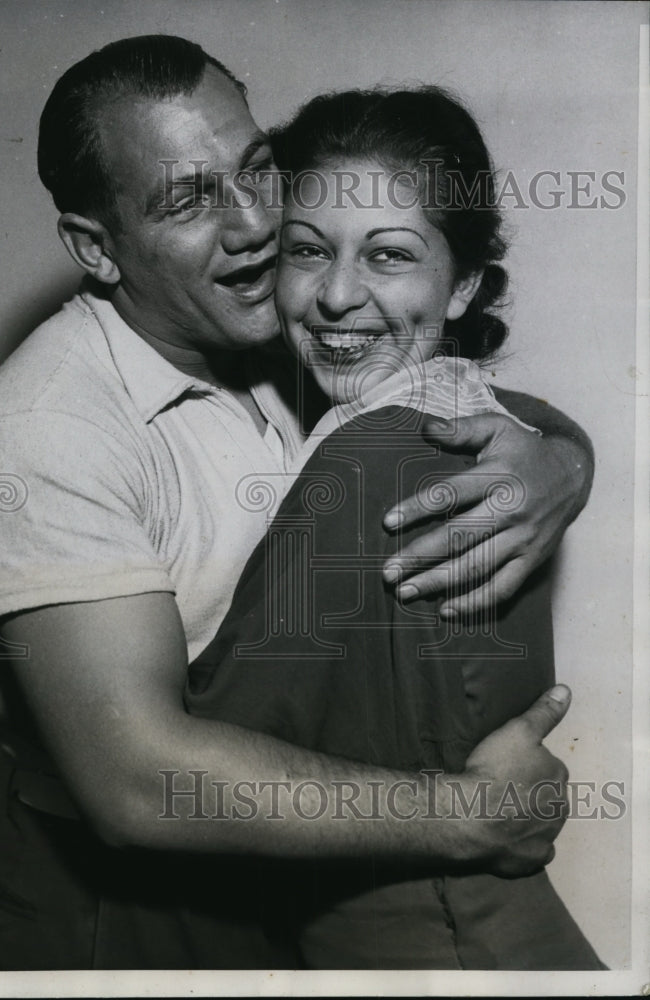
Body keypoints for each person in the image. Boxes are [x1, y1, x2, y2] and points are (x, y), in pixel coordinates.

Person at [0, 36, 594, 970]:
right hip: (113, 915)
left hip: (290, 883)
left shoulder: (285, 329)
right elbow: (138, 786)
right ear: (97, 247)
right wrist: (470, 817)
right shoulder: (47, 431)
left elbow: (442, 381)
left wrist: (563, 463)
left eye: (255, 171)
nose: (254, 224)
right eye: (189, 200)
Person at [185, 85, 604, 970]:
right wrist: (571, 453)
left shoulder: (364, 465)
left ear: (463, 289)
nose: (338, 295)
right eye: (307, 251)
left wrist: (17, 688)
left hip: (421, 944)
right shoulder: (500, 433)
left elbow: (209, 750)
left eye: (389, 256)